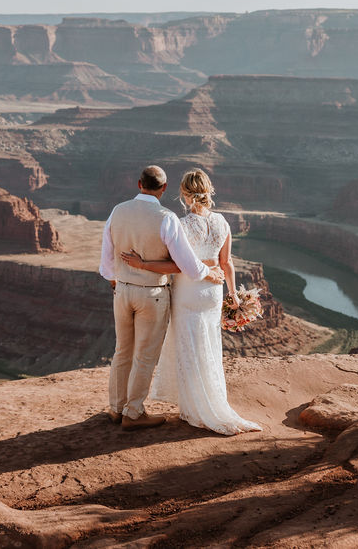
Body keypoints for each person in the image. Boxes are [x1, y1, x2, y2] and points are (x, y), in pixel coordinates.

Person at [121, 168, 261, 435]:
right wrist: (233, 297)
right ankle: (212, 403)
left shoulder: (181, 225)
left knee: (190, 347)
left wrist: (142, 263)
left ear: (185, 195)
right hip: (213, 294)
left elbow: (176, 266)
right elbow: (226, 263)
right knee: (208, 346)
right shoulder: (222, 222)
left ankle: (195, 409)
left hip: (188, 293)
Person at [99, 165, 223, 431]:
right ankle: (134, 413)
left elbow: (106, 258)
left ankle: (116, 408)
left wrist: (117, 280)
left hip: (121, 291)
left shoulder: (117, 211)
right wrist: (209, 272)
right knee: (144, 356)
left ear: (138, 184)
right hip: (152, 294)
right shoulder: (167, 218)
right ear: (164, 188)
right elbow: (187, 265)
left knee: (122, 351)